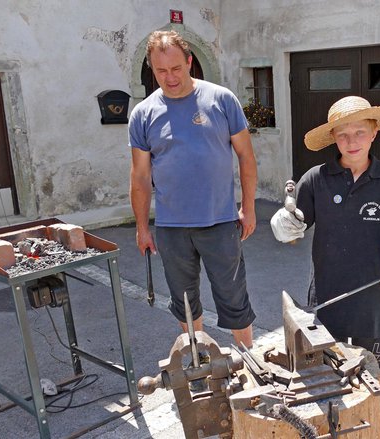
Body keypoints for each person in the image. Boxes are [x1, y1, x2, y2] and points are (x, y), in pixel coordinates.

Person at [271, 96, 380, 368]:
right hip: (327, 297)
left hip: (374, 298)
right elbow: (294, 230)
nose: (352, 142)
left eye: (360, 132)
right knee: (328, 373)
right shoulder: (316, 179)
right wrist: (285, 226)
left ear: (374, 132)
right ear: (333, 138)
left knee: (372, 374)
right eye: (343, 135)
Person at [129, 30, 257, 348]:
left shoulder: (221, 99)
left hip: (221, 221)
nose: (170, 77)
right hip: (172, 228)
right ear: (152, 70)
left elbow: (246, 156)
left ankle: (252, 364)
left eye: (176, 68)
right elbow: (141, 177)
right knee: (185, 303)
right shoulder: (143, 114)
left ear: (189, 62)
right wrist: (142, 227)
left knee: (234, 299)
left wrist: (249, 207)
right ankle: (198, 363)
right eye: (161, 71)